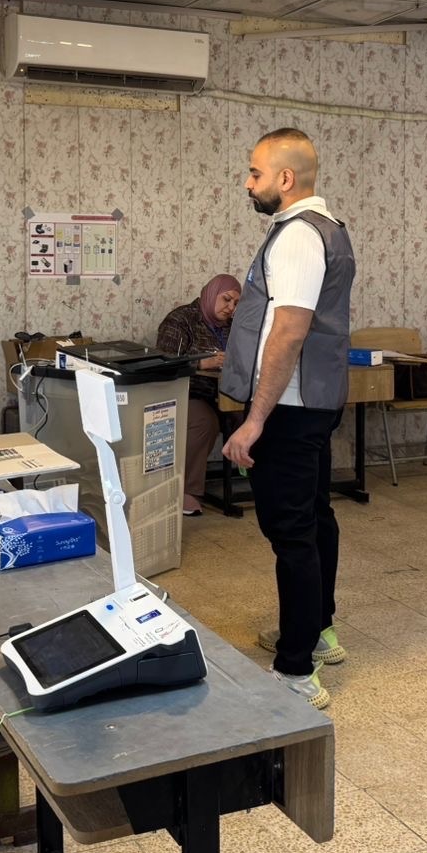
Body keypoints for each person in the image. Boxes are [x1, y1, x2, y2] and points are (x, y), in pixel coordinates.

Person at [219, 129, 355, 710]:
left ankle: (297, 670)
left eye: (255, 173)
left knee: (292, 533)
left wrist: (255, 420)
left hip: (290, 407)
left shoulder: (298, 236)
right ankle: (317, 632)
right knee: (315, 519)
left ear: (285, 178)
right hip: (314, 400)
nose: (247, 182)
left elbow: (289, 331)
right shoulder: (328, 228)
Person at [156, 274, 241, 516]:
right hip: (186, 394)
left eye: (236, 303)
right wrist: (202, 364)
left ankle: (266, 482)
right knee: (204, 422)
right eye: (226, 300)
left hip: (226, 393)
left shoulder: (234, 325)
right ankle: (184, 491)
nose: (230, 308)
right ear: (211, 294)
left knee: (259, 414)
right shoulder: (181, 320)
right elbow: (163, 364)